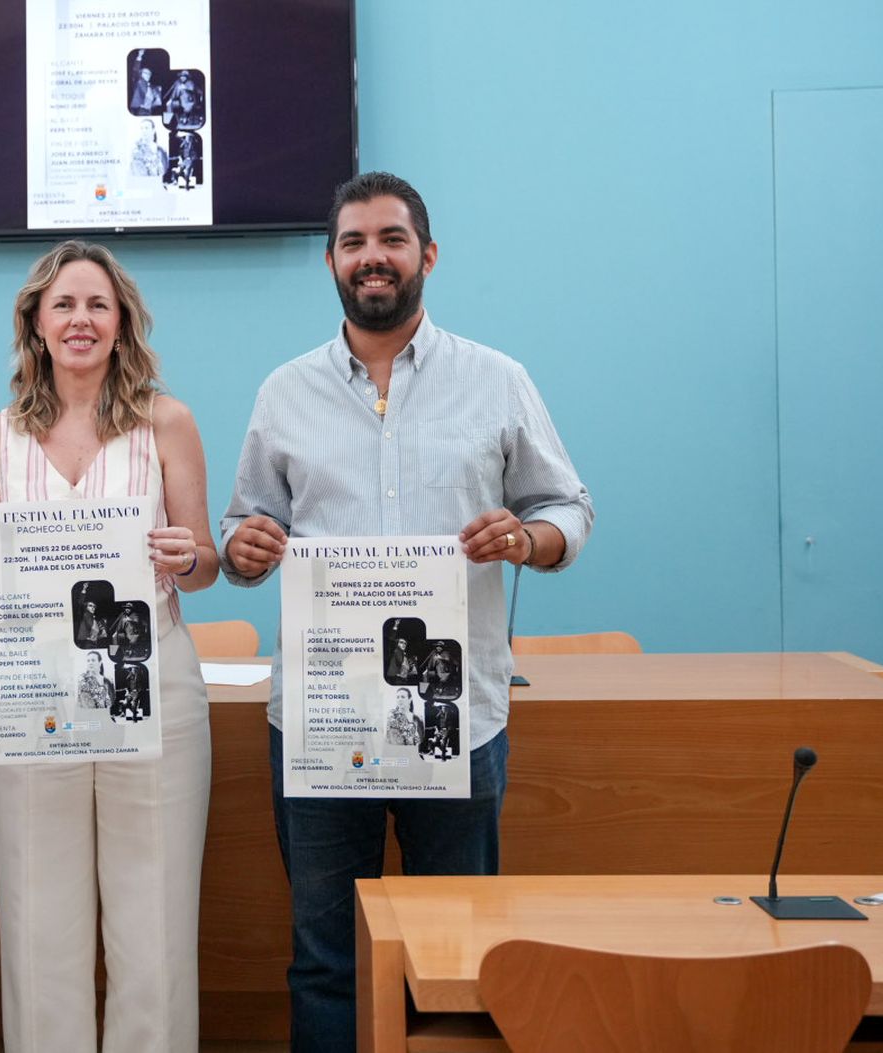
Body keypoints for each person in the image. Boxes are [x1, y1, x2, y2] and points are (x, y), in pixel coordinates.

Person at [219, 172, 593, 1051]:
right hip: (322, 720)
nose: (372, 257)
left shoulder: (497, 380)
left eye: (391, 239)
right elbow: (243, 526)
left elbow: (568, 509)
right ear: (331, 262)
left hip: (456, 717)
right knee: (325, 961)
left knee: (457, 950)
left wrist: (527, 538)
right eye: (353, 242)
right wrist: (243, 549)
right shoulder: (284, 392)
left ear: (427, 254)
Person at [0, 240, 217, 1053]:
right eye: (63, 304)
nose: (80, 319)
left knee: (155, 922)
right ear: (37, 322)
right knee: (38, 922)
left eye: (97, 304)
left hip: (152, 684)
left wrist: (185, 556)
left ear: (122, 321)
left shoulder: (166, 421)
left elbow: (204, 563)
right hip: (32, 691)